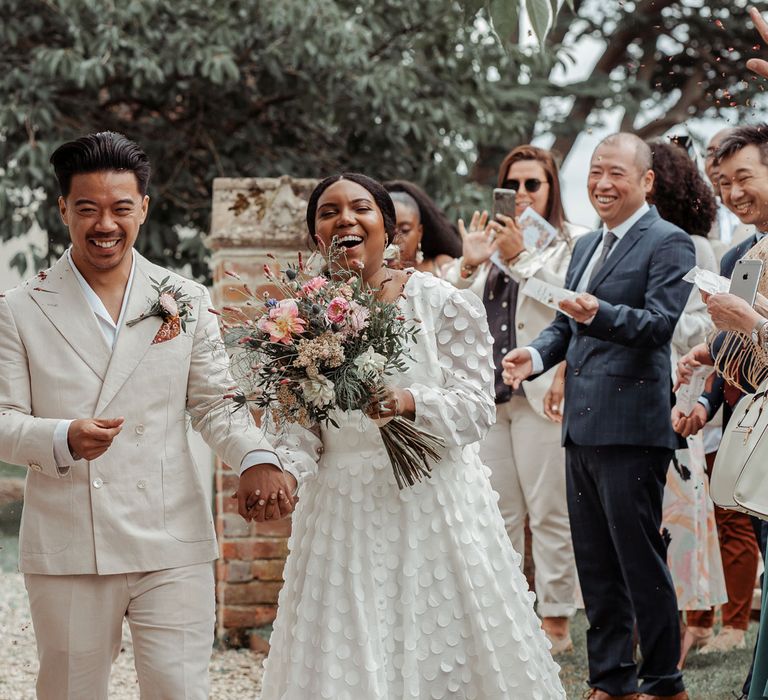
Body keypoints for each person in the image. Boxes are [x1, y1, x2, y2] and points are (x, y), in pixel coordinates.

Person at [0, 132, 294, 699]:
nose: (103, 224)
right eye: (86, 208)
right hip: (70, 544)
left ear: (144, 209)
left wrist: (257, 456)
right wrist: (62, 437)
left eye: (119, 208)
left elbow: (215, 403)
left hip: (171, 537)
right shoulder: (19, 309)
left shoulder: (183, 297)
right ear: (63, 209)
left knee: (179, 691)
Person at [254, 173, 566, 699]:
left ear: (389, 228)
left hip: (433, 506)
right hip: (341, 512)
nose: (344, 220)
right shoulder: (299, 322)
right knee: (348, 650)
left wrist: (409, 401)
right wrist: (282, 469)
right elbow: (298, 428)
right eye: (328, 213)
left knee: (439, 647)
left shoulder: (443, 303)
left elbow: (474, 411)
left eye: (360, 209)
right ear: (315, 236)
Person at [502, 133, 695, 700]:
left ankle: (663, 682)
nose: (602, 184)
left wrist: (601, 311)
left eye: (615, 173)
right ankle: (611, 681)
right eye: (594, 172)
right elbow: (566, 324)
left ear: (646, 181)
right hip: (580, 425)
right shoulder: (586, 246)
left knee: (640, 562)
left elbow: (660, 324)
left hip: (633, 425)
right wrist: (534, 355)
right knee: (596, 564)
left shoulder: (670, 242)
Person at [443, 144, 584, 653]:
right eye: (514, 185)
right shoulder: (484, 245)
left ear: (551, 191)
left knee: (549, 512)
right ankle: (507, 617)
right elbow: (450, 311)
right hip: (488, 395)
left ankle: (556, 622)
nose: (522, 194)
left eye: (533, 185)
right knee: (498, 512)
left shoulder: (570, 245)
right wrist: (467, 265)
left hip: (541, 391)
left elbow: (569, 306)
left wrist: (522, 256)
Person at [675, 125, 768, 655]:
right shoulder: (746, 257)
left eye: (744, 178)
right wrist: (707, 365)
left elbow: (754, 327)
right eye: (723, 182)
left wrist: (749, 321)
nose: (733, 194)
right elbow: (742, 351)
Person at [645, 140, 728, 665]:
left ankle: (685, 627)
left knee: (679, 515)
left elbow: (716, 320)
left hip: (678, 388)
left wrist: (654, 318)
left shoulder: (697, 248)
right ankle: (652, 624)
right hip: (637, 387)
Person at [383, 179, 461, 275]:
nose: (395, 238)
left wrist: (468, 265)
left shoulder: (440, 266)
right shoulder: (367, 272)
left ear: (419, 232)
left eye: (404, 230)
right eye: (387, 229)